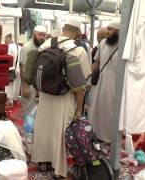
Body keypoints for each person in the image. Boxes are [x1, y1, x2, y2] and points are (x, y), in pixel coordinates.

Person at [31, 19, 91, 178]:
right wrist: (79, 109)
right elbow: (80, 86)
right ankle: (59, 170)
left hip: (45, 96)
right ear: (78, 33)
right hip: (64, 98)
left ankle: (43, 163)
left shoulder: (45, 45)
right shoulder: (77, 51)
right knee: (60, 132)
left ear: (63, 29)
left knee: (44, 129)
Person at [90, 21, 120, 143]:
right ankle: (96, 136)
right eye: (108, 29)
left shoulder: (124, 46)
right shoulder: (102, 43)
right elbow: (97, 63)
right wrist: (86, 76)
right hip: (101, 83)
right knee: (97, 110)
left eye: (111, 29)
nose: (107, 32)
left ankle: (110, 139)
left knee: (112, 112)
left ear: (118, 32)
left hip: (116, 85)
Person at [19, 25, 47, 117]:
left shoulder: (44, 47)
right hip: (29, 85)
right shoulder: (27, 47)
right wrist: (25, 86)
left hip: (39, 85)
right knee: (28, 112)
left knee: (37, 112)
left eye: (44, 35)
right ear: (34, 34)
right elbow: (23, 67)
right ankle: (28, 131)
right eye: (40, 35)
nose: (42, 37)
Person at [4, 33, 21, 107]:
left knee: (9, 86)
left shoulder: (8, 47)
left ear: (8, 39)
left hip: (10, 69)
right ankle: (15, 101)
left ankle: (10, 102)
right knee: (17, 86)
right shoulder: (19, 47)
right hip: (19, 69)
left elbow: (8, 59)